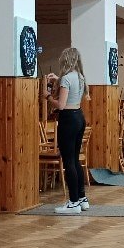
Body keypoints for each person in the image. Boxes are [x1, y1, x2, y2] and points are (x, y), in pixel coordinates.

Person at [44, 47, 90, 214]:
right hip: (79, 117)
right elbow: (71, 90)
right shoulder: (80, 76)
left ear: (65, 60)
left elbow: (61, 105)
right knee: (75, 160)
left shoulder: (66, 79)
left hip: (68, 120)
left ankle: (73, 203)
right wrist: (58, 79)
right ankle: (82, 199)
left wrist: (48, 96)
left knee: (68, 161)